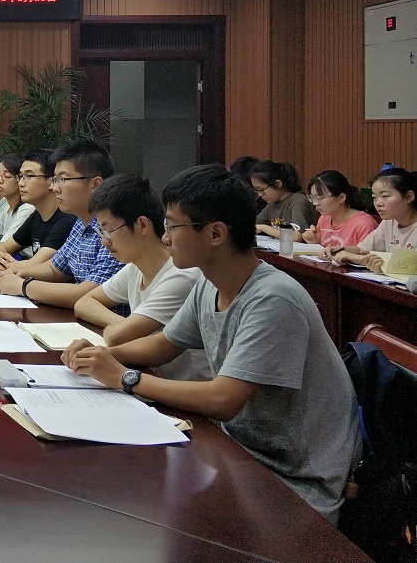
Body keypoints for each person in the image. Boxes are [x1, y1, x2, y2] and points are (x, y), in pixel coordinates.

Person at [64, 164, 360, 522]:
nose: (165, 238)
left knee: (145, 513)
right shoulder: (209, 284)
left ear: (216, 233)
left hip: (295, 481)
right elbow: (164, 344)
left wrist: (124, 377)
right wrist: (100, 356)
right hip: (239, 452)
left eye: (172, 226)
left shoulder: (272, 298)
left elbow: (223, 400)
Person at [72, 174, 210, 380]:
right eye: (101, 232)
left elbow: (117, 337)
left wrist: (121, 329)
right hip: (150, 375)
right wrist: (123, 324)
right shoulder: (134, 268)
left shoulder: (181, 276)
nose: (104, 241)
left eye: (108, 230)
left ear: (142, 225)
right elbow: (83, 303)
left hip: (184, 388)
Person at [0, 139, 122, 310]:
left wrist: (23, 286)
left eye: (63, 179)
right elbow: (55, 269)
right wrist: (19, 271)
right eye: (55, 179)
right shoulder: (80, 222)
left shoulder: (116, 228)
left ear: (95, 184)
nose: (55, 188)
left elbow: (92, 293)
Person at [0, 149, 75, 271]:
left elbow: (35, 265)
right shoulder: (36, 216)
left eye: (29, 176)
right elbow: (3, 248)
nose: (21, 183)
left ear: (52, 181)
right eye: (20, 176)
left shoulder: (67, 219)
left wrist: (2, 264)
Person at [332, 166, 417, 270]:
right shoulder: (389, 222)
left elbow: (410, 267)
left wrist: (361, 259)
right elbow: (361, 249)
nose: (378, 203)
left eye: (385, 196)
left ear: (409, 196)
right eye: (374, 197)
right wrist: (336, 251)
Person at [300, 170, 376, 258]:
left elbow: (367, 256)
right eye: (312, 198)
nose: (315, 203)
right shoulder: (324, 218)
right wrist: (315, 242)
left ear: (341, 198)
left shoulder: (364, 223)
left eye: (320, 198)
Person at [250, 160, 317, 237]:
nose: (260, 194)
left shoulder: (298, 201)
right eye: (257, 191)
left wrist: (263, 228)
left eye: (261, 190)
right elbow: (253, 225)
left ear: (278, 184)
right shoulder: (272, 204)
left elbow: (297, 236)